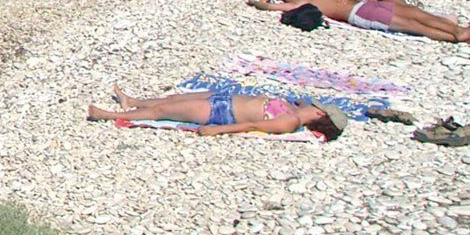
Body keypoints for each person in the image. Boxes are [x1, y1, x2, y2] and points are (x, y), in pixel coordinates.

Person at [249, 0, 470, 43]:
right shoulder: (296, 5)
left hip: (363, 5)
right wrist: (256, 2)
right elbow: (269, 7)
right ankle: (458, 37)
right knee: (414, 26)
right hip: (361, 16)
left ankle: (460, 30)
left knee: (417, 14)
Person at [87, 86, 346, 140]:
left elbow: (252, 126)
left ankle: (106, 115)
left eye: (318, 108)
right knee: (173, 99)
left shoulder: (289, 122)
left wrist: (217, 129)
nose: (313, 104)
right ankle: (133, 100)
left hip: (221, 112)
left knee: (162, 112)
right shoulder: (295, 109)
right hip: (223, 99)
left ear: (320, 116)